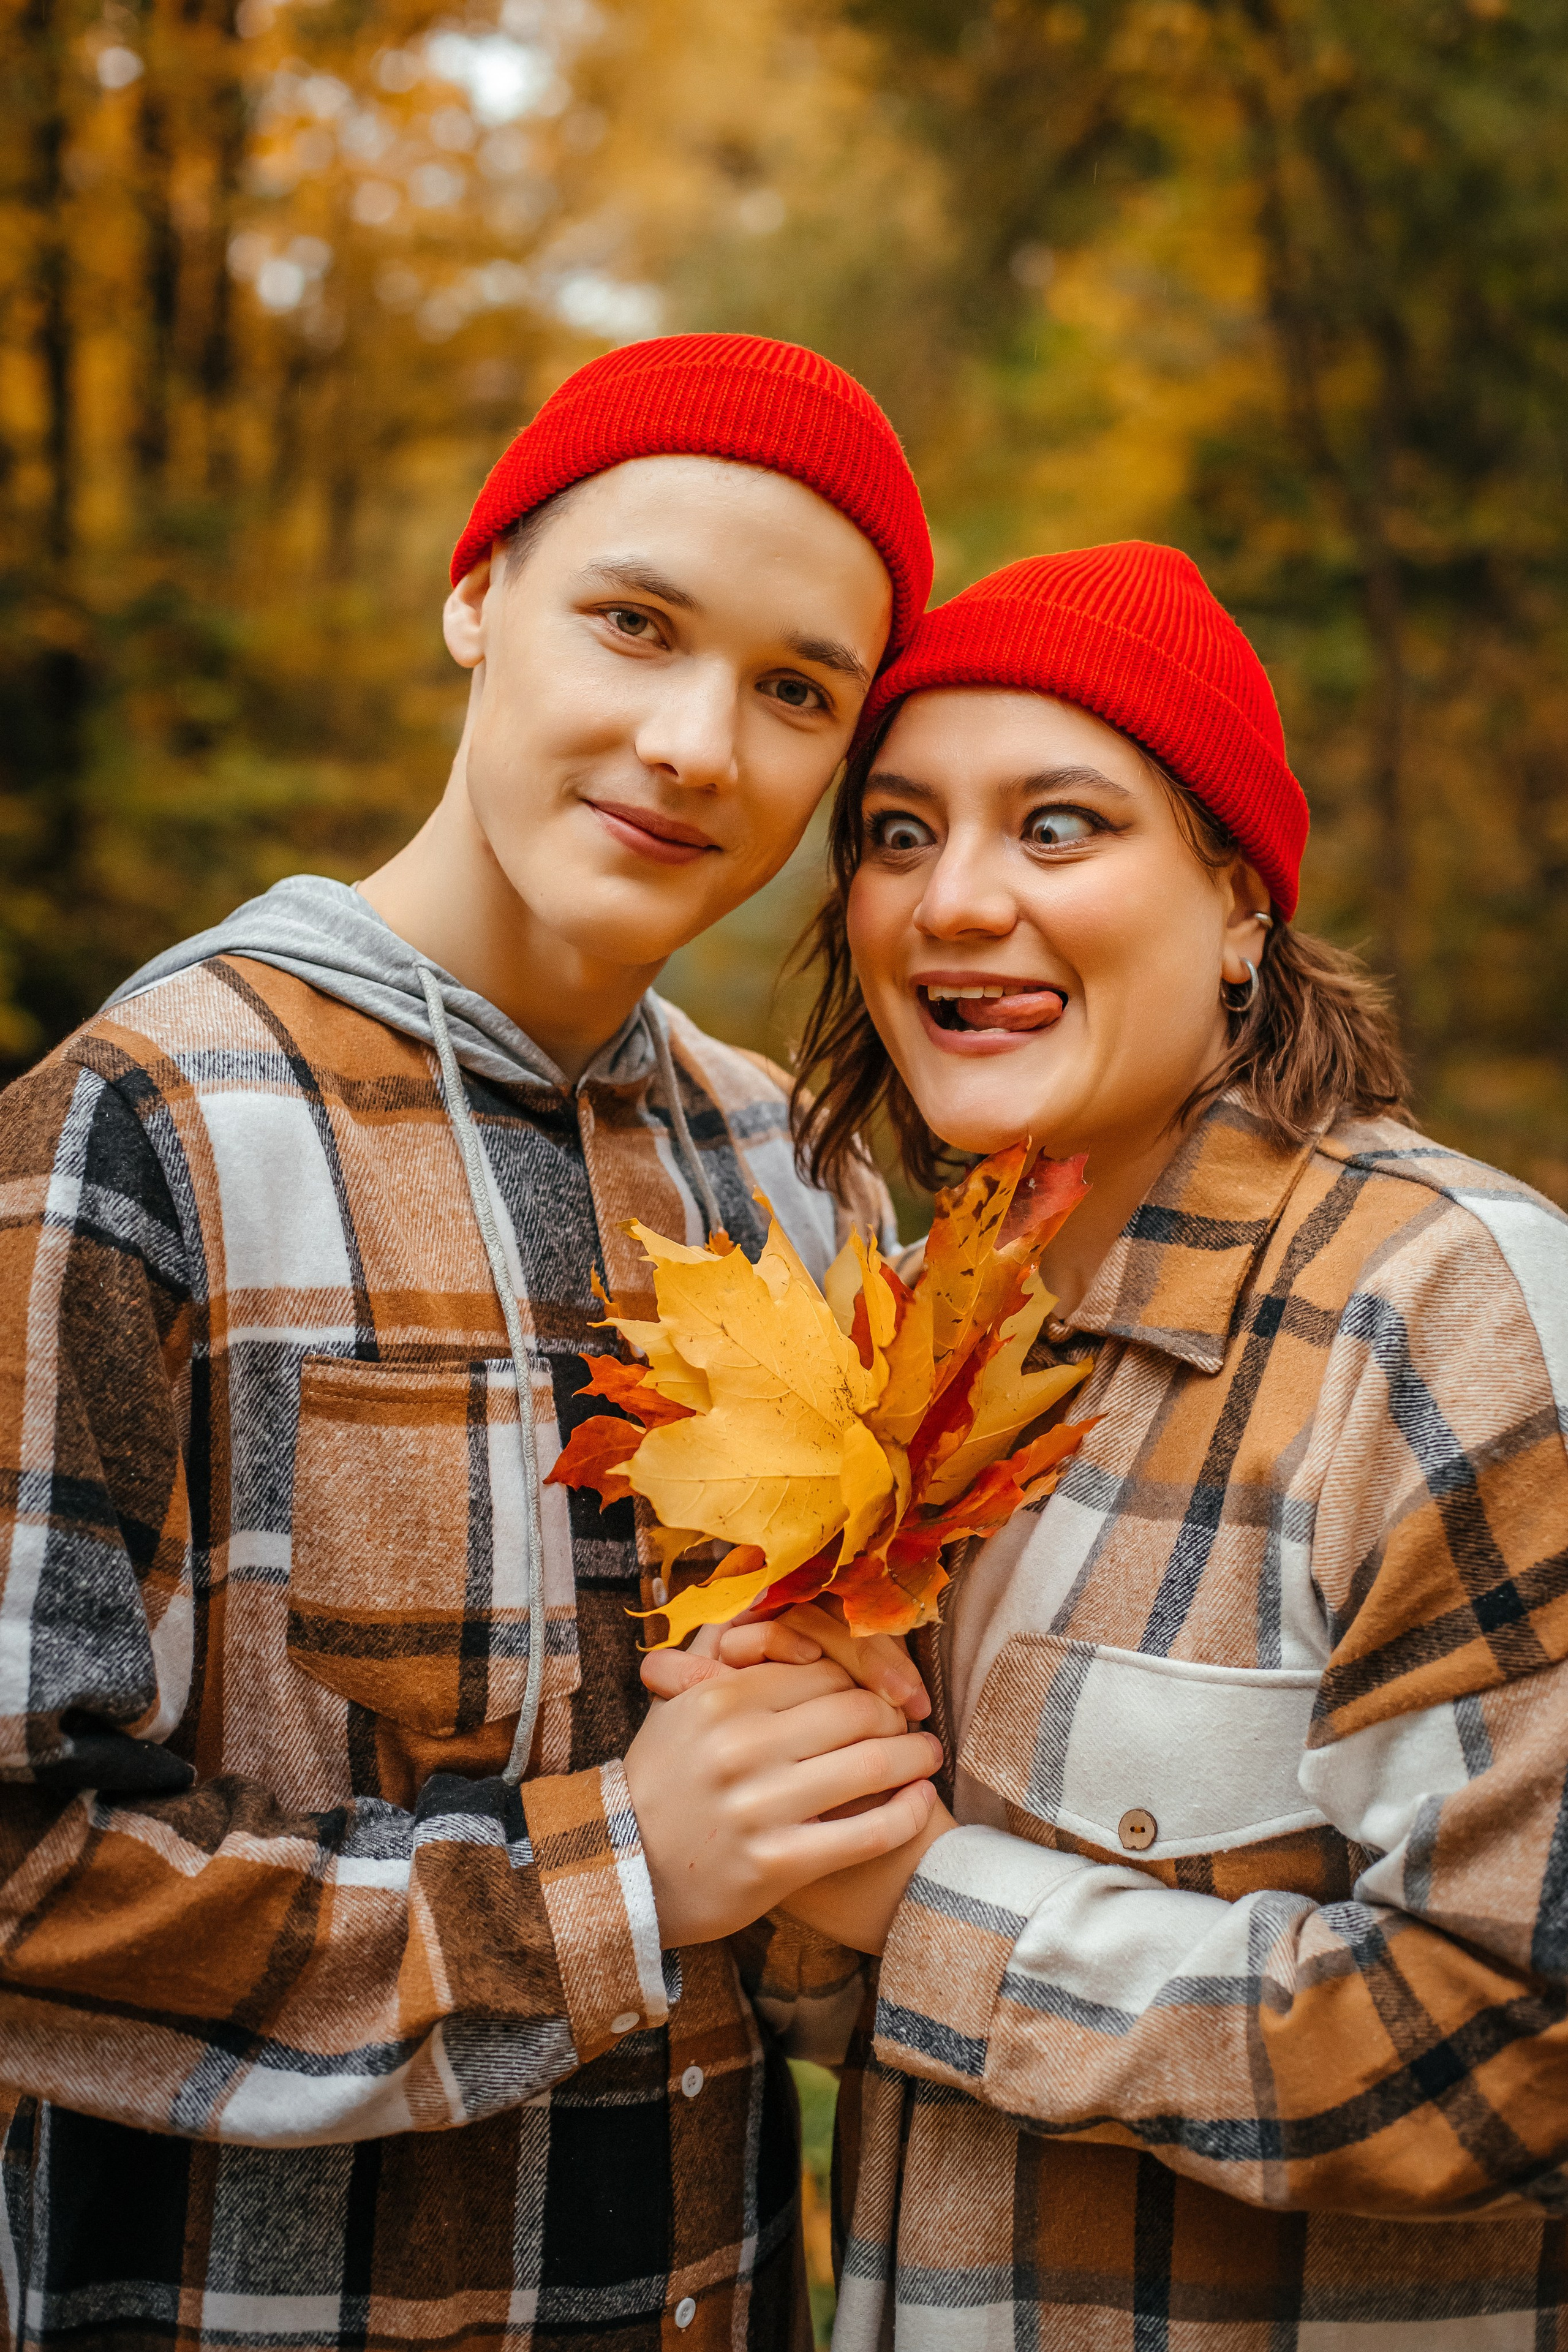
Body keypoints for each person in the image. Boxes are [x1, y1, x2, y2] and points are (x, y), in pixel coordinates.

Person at [0, 333, 947, 2352]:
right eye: (635, 623)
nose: (700, 743)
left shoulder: (801, 1171)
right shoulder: (149, 1123)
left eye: (799, 690)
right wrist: (616, 1880)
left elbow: (817, 1878)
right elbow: (20, 1886)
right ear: (475, 597)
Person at [664, 542, 1568, 2346]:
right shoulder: (910, 1343)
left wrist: (922, 1905)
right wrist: (775, 1805)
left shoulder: (1444, 1313)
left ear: (1241, 909)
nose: (953, 902)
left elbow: (1518, 2039)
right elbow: (847, 1996)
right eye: (900, 834)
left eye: (1058, 827)